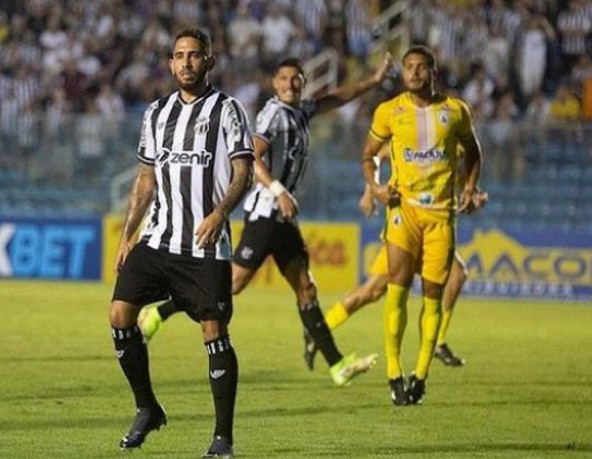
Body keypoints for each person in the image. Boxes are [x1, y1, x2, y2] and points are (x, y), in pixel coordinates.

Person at [140, 52, 394, 387]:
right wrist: (278, 190)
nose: (290, 83)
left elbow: (335, 97)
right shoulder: (273, 114)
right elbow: (253, 156)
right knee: (231, 285)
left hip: (283, 218)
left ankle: (337, 365)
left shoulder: (302, 110)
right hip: (265, 213)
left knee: (306, 287)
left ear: (303, 82)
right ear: (275, 84)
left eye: (296, 78)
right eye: (284, 78)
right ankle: (158, 313)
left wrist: (373, 82)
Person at [109, 29, 254, 458]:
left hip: (206, 246)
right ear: (170, 64)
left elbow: (242, 172)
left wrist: (220, 212)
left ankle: (222, 438)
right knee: (119, 314)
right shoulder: (155, 113)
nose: (186, 63)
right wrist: (128, 232)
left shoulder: (228, 111)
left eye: (194, 55)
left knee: (214, 332)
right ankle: (147, 407)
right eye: (178, 56)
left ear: (208, 61)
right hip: (158, 238)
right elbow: (146, 178)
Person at [361, 45, 483, 406]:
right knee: (395, 292)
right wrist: (376, 188)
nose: (413, 73)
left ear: (434, 72)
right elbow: (367, 155)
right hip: (404, 213)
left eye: (421, 67)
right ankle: (394, 373)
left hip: (441, 219)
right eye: (408, 67)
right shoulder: (389, 112)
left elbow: (474, 152)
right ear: (403, 74)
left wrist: (471, 187)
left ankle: (421, 375)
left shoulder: (456, 112)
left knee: (432, 300)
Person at [307, 150, 490, 371]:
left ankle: (439, 342)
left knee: (457, 274)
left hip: (431, 228)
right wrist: (371, 190)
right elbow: (374, 157)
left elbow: (447, 175)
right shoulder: (405, 122)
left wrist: (471, 192)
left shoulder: (449, 133)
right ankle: (318, 331)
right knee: (371, 292)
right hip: (405, 227)